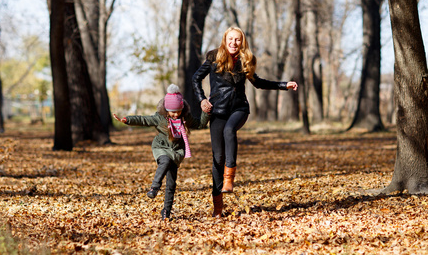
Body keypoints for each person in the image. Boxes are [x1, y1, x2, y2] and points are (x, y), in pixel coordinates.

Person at [192, 26, 298, 218]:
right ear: (225, 40)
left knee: (229, 130)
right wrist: (201, 99)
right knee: (217, 159)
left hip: (239, 109)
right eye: (230, 39)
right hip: (217, 111)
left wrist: (284, 85)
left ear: (242, 42)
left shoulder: (245, 60)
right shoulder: (213, 58)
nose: (234, 43)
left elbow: (258, 83)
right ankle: (218, 207)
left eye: (237, 40)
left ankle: (229, 179)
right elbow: (195, 78)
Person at [113, 84, 209, 220]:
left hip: (176, 151)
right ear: (166, 110)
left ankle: (166, 211)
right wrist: (127, 120)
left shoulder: (185, 118)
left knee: (171, 183)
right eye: (172, 112)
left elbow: (200, 124)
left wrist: (206, 112)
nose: (176, 114)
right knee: (165, 161)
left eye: (178, 111)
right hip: (161, 147)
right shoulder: (160, 118)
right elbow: (144, 120)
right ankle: (154, 188)